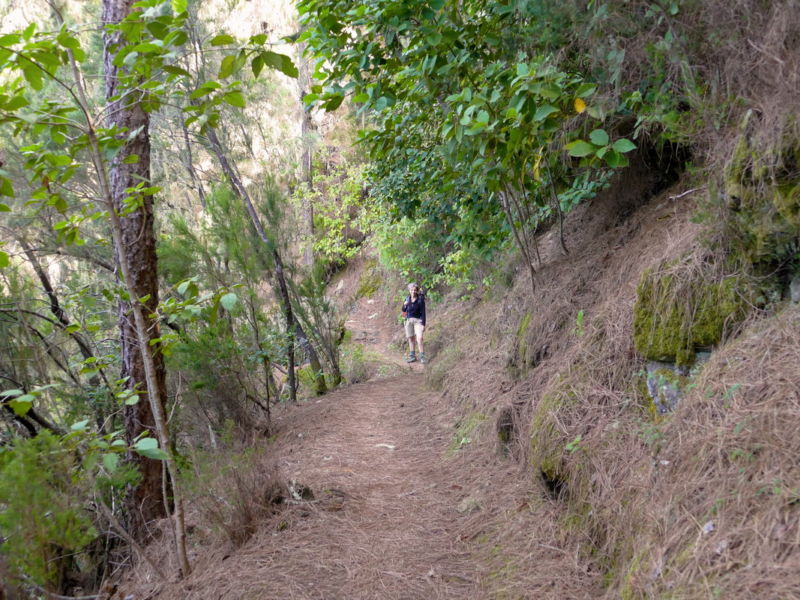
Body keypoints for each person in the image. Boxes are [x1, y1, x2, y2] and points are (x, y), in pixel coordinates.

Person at [402, 283, 426, 363]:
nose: (413, 291)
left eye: (415, 290)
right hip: (409, 320)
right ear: (409, 290)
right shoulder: (407, 299)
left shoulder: (420, 299)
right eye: (411, 290)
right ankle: (412, 356)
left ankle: (422, 357)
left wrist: (423, 324)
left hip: (418, 321)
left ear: (417, 291)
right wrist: (405, 306)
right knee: (411, 338)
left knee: (419, 338)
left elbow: (423, 312)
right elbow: (403, 310)